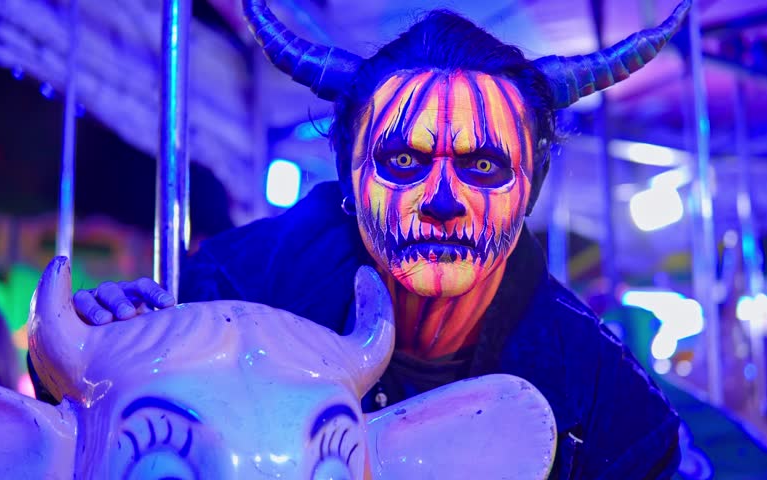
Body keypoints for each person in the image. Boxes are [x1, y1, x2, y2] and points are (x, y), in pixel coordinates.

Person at [39, 0, 692, 477]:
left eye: (483, 166)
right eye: (404, 162)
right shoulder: (234, 288)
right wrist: (101, 356)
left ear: (533, 187)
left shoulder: (596, 387)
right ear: (350, 176)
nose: (440, 201)